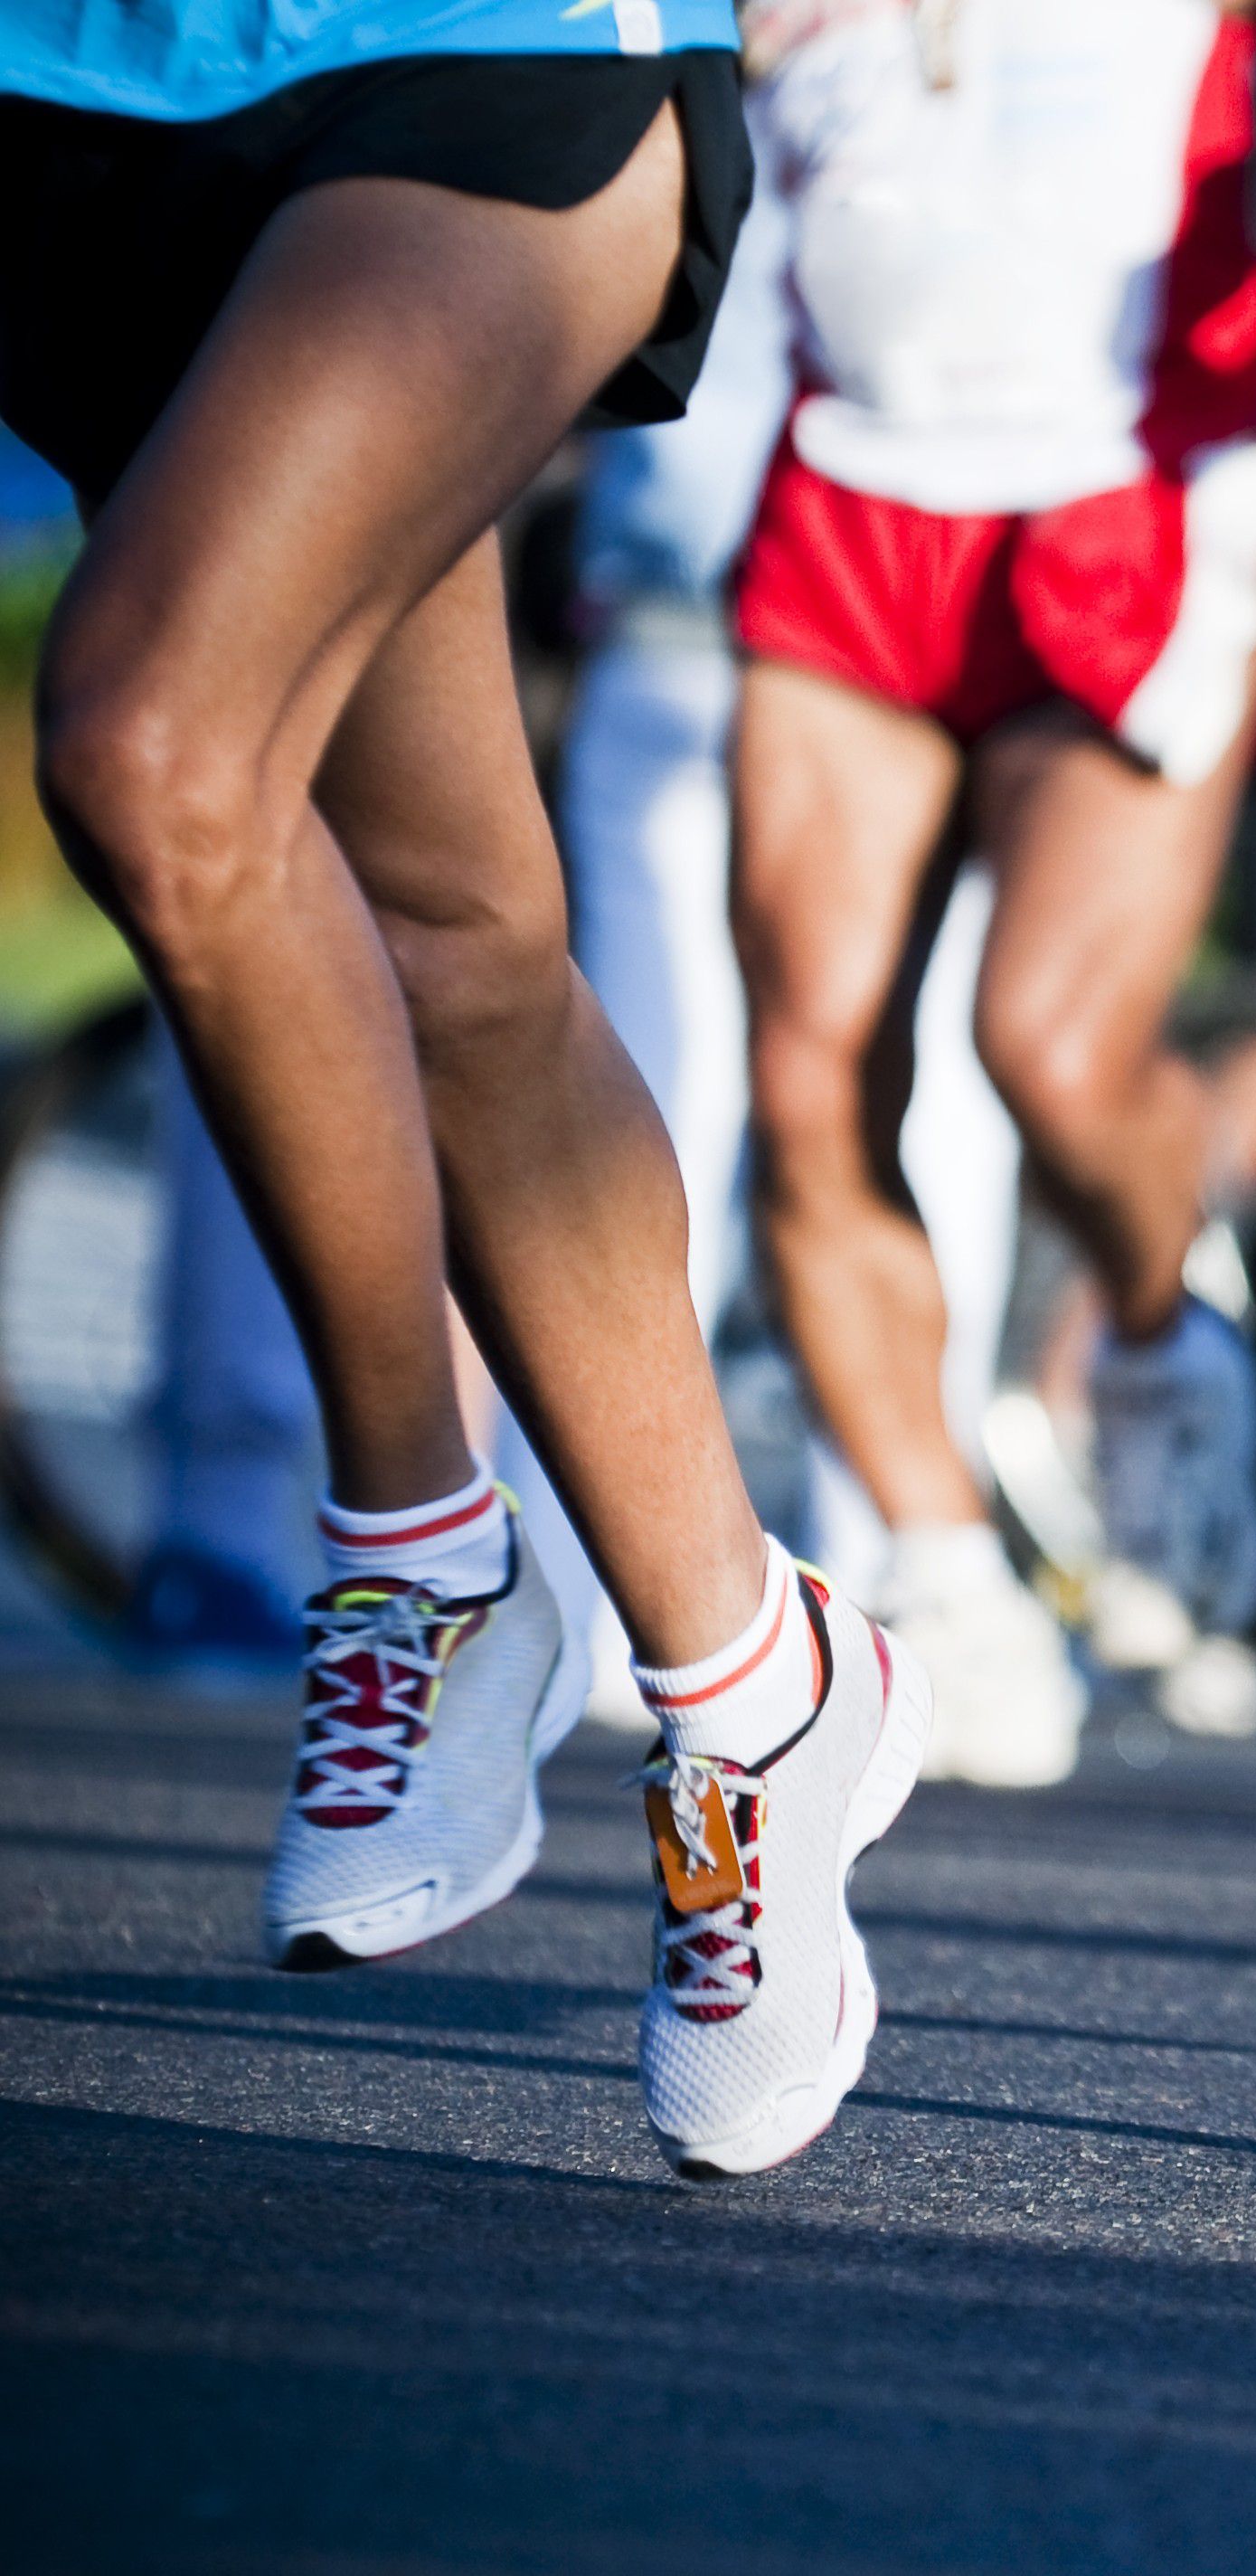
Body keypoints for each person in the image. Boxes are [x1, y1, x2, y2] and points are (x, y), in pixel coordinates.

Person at [0, 1, 929, 2176]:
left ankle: (422, 1549)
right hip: (81, 98)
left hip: (476, 40)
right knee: (457, 936)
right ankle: (760, 1687)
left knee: (155, 753)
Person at [729, 0, 1256, 1789]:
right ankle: (950, 1576)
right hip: (850, 498)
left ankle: (1157, 1331)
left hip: (1130, 494)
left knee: (1048, 1051)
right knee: (808, 1081)